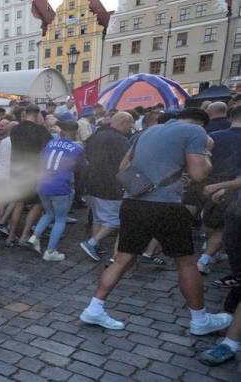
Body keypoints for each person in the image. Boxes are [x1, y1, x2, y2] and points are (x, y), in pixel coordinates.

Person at [79, 108, 232, 336]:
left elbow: (123, 168)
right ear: (201, 123)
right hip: (167, 206)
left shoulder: (147, 132)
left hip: (133, 203)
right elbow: (199, 174)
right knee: (187, 264)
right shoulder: (195, 132)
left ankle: (94, 308)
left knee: (121, 260)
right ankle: (200, 319)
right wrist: (207, 153)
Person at [80, 112, 134, 261]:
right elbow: (126, 164)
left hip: (92, 181)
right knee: (115, 221)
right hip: (110, 184)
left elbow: (86, 155)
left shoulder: (97, 135)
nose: (130, 129)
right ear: (123, 123)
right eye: (129, 126)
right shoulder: (121, 140)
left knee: (98, 218)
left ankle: (95, 244)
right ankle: (92, 243)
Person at [27, 121, 84, 261]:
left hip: (43, 184)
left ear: (61, 131)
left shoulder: (50, 143)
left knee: (48, 213)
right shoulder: (77, 148)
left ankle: (35, 237)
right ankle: (50, 251)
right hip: (60, 187)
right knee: (60, 219)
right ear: (75, 132)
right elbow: (82, 168)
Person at [199, 106, 241, 276]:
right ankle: (206, 257)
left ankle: (208, 253)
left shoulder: (214, 137)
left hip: (211, 183)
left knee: (211, 222)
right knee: (222, 227)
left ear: (231, 118)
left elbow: (202, 161)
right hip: (233, 188)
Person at [5, 105, 52, 247]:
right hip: (34, 172)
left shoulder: (15, 129)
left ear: (25, 114)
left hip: (17, 170)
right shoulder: (41, 130)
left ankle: (11, 236)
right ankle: (24, 235)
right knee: (37, 204)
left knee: (18, 203)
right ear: (38, 115)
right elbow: (48, 149)